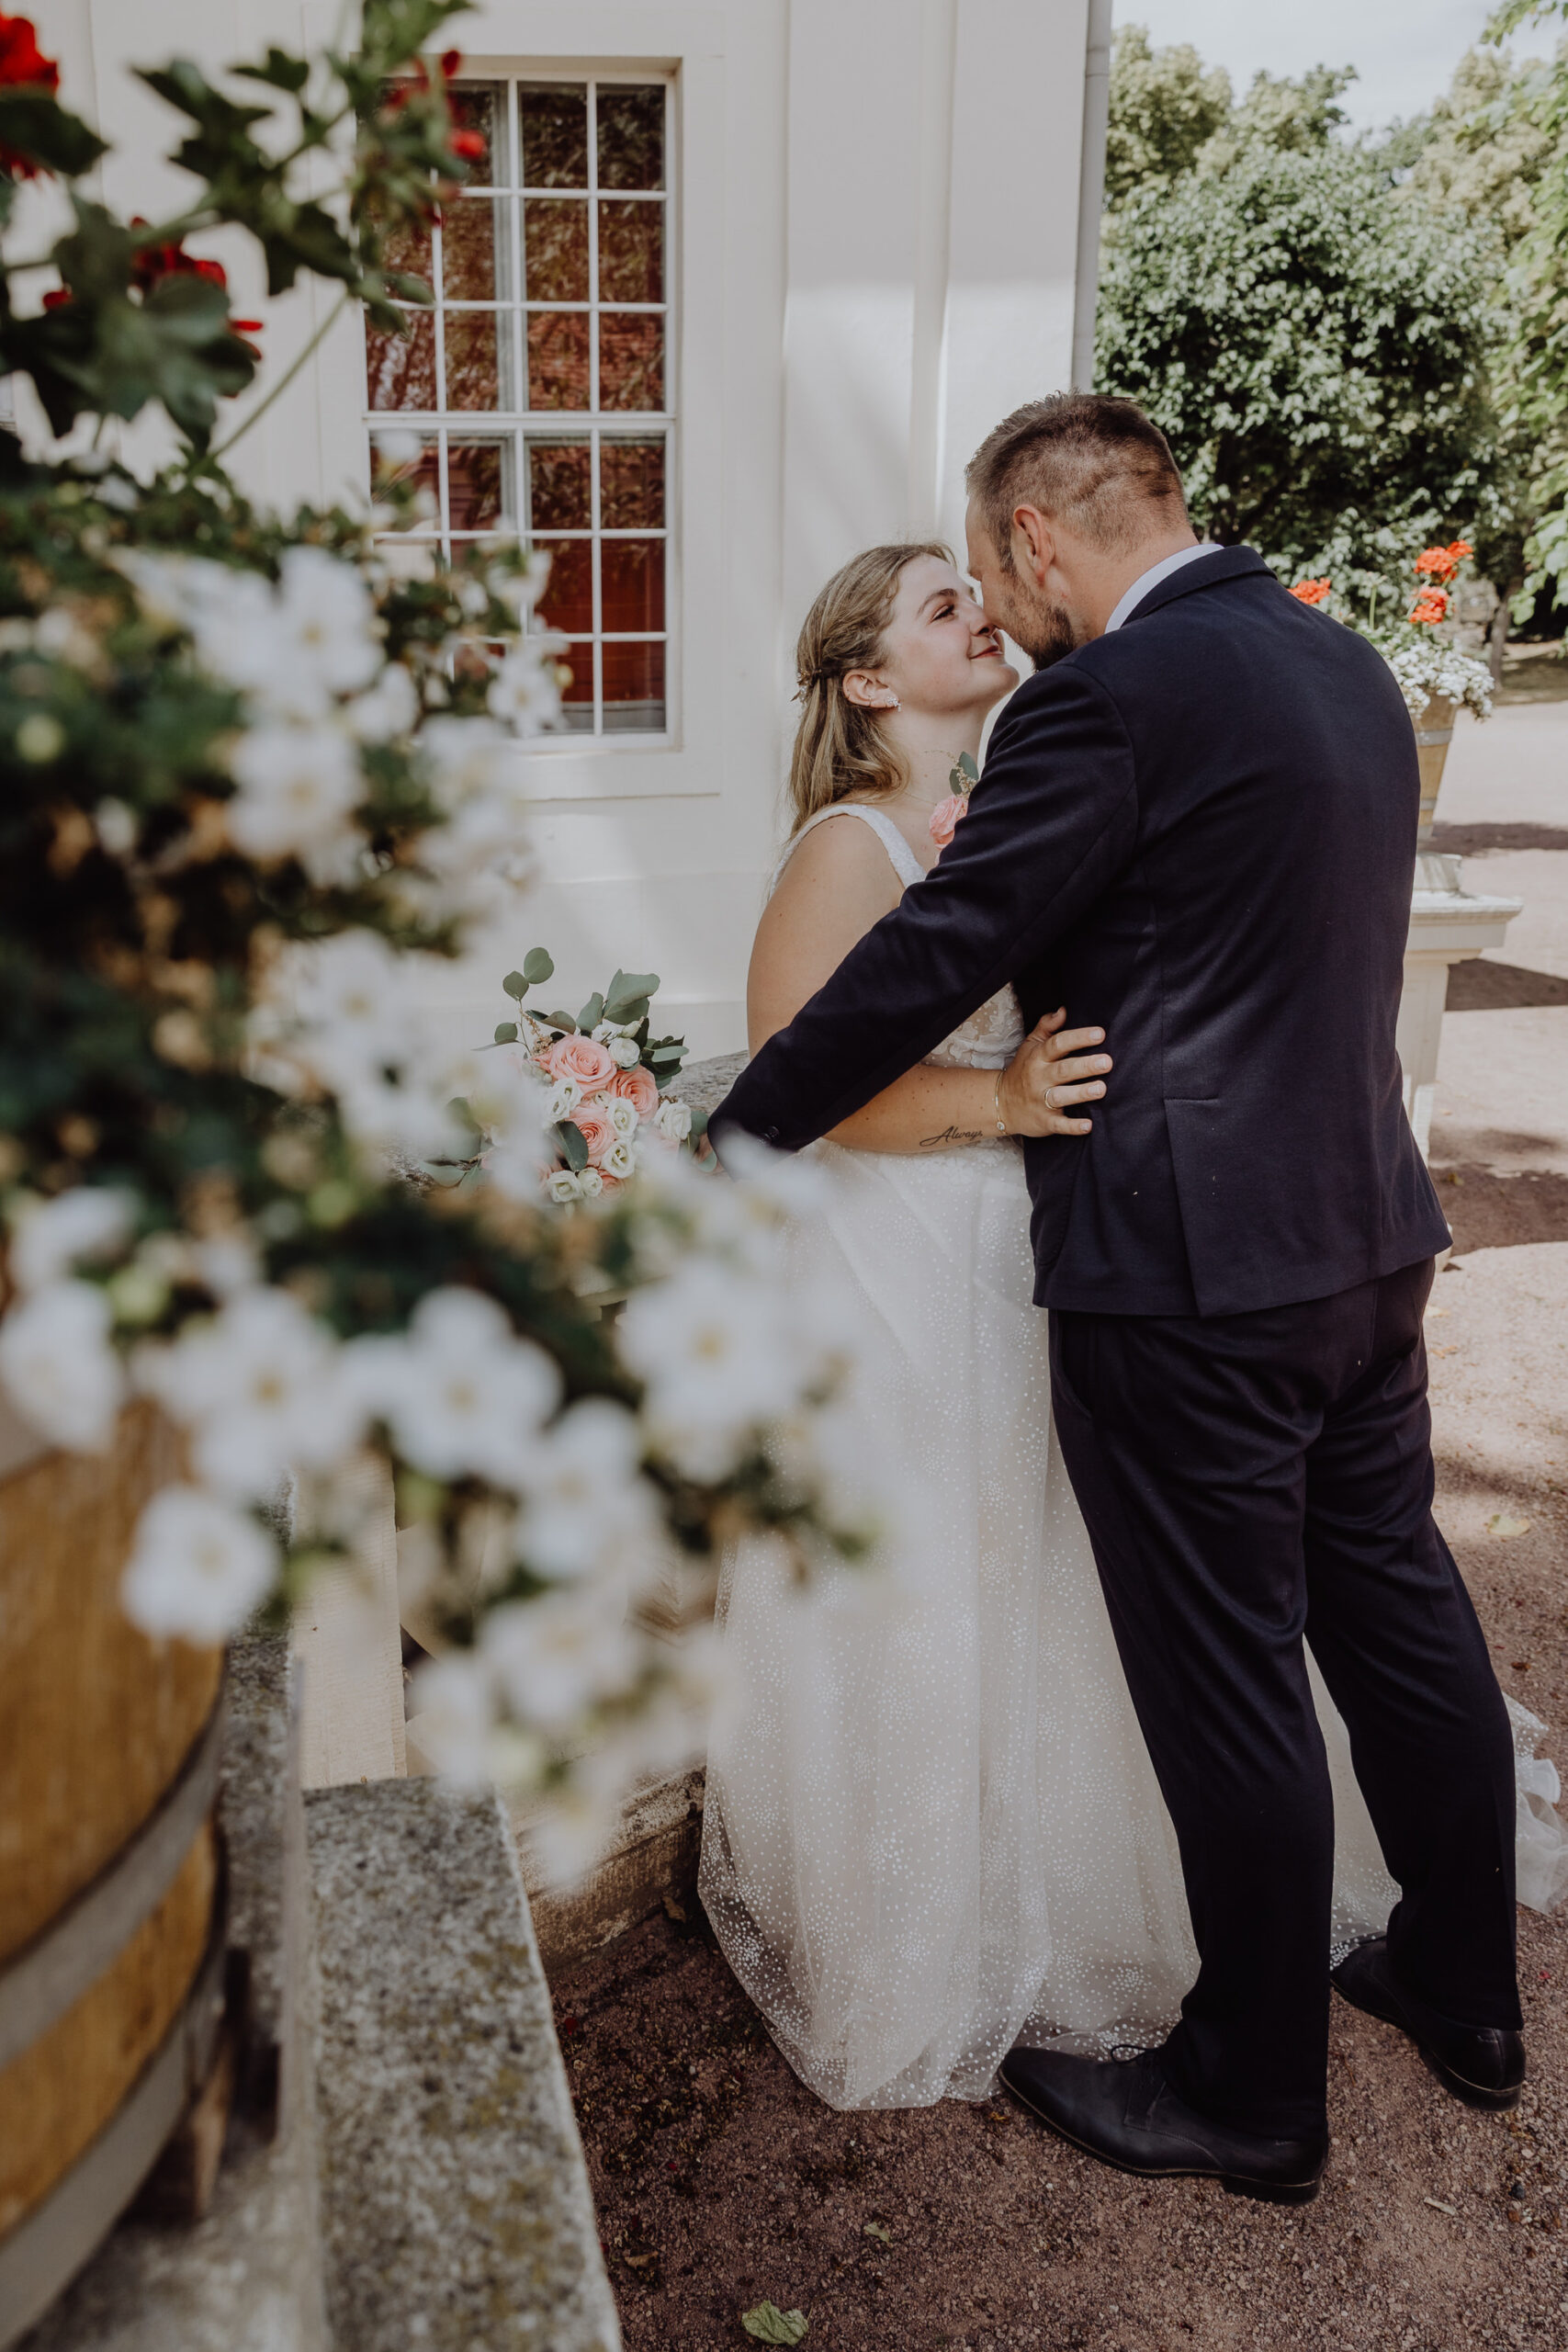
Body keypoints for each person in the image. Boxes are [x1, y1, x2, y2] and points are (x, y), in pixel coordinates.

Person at [708, 393, 1534, 2204]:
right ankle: (1464, 1989)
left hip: (1187, 1276)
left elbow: (949, 943)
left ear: (1028, 536)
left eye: (993, 576)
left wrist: (747, 1118)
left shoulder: (1105, 695)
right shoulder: (1340, 669)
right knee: (1395, 1615)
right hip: (1359, 1237)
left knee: (1228, 1673)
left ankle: (1250, 2092)